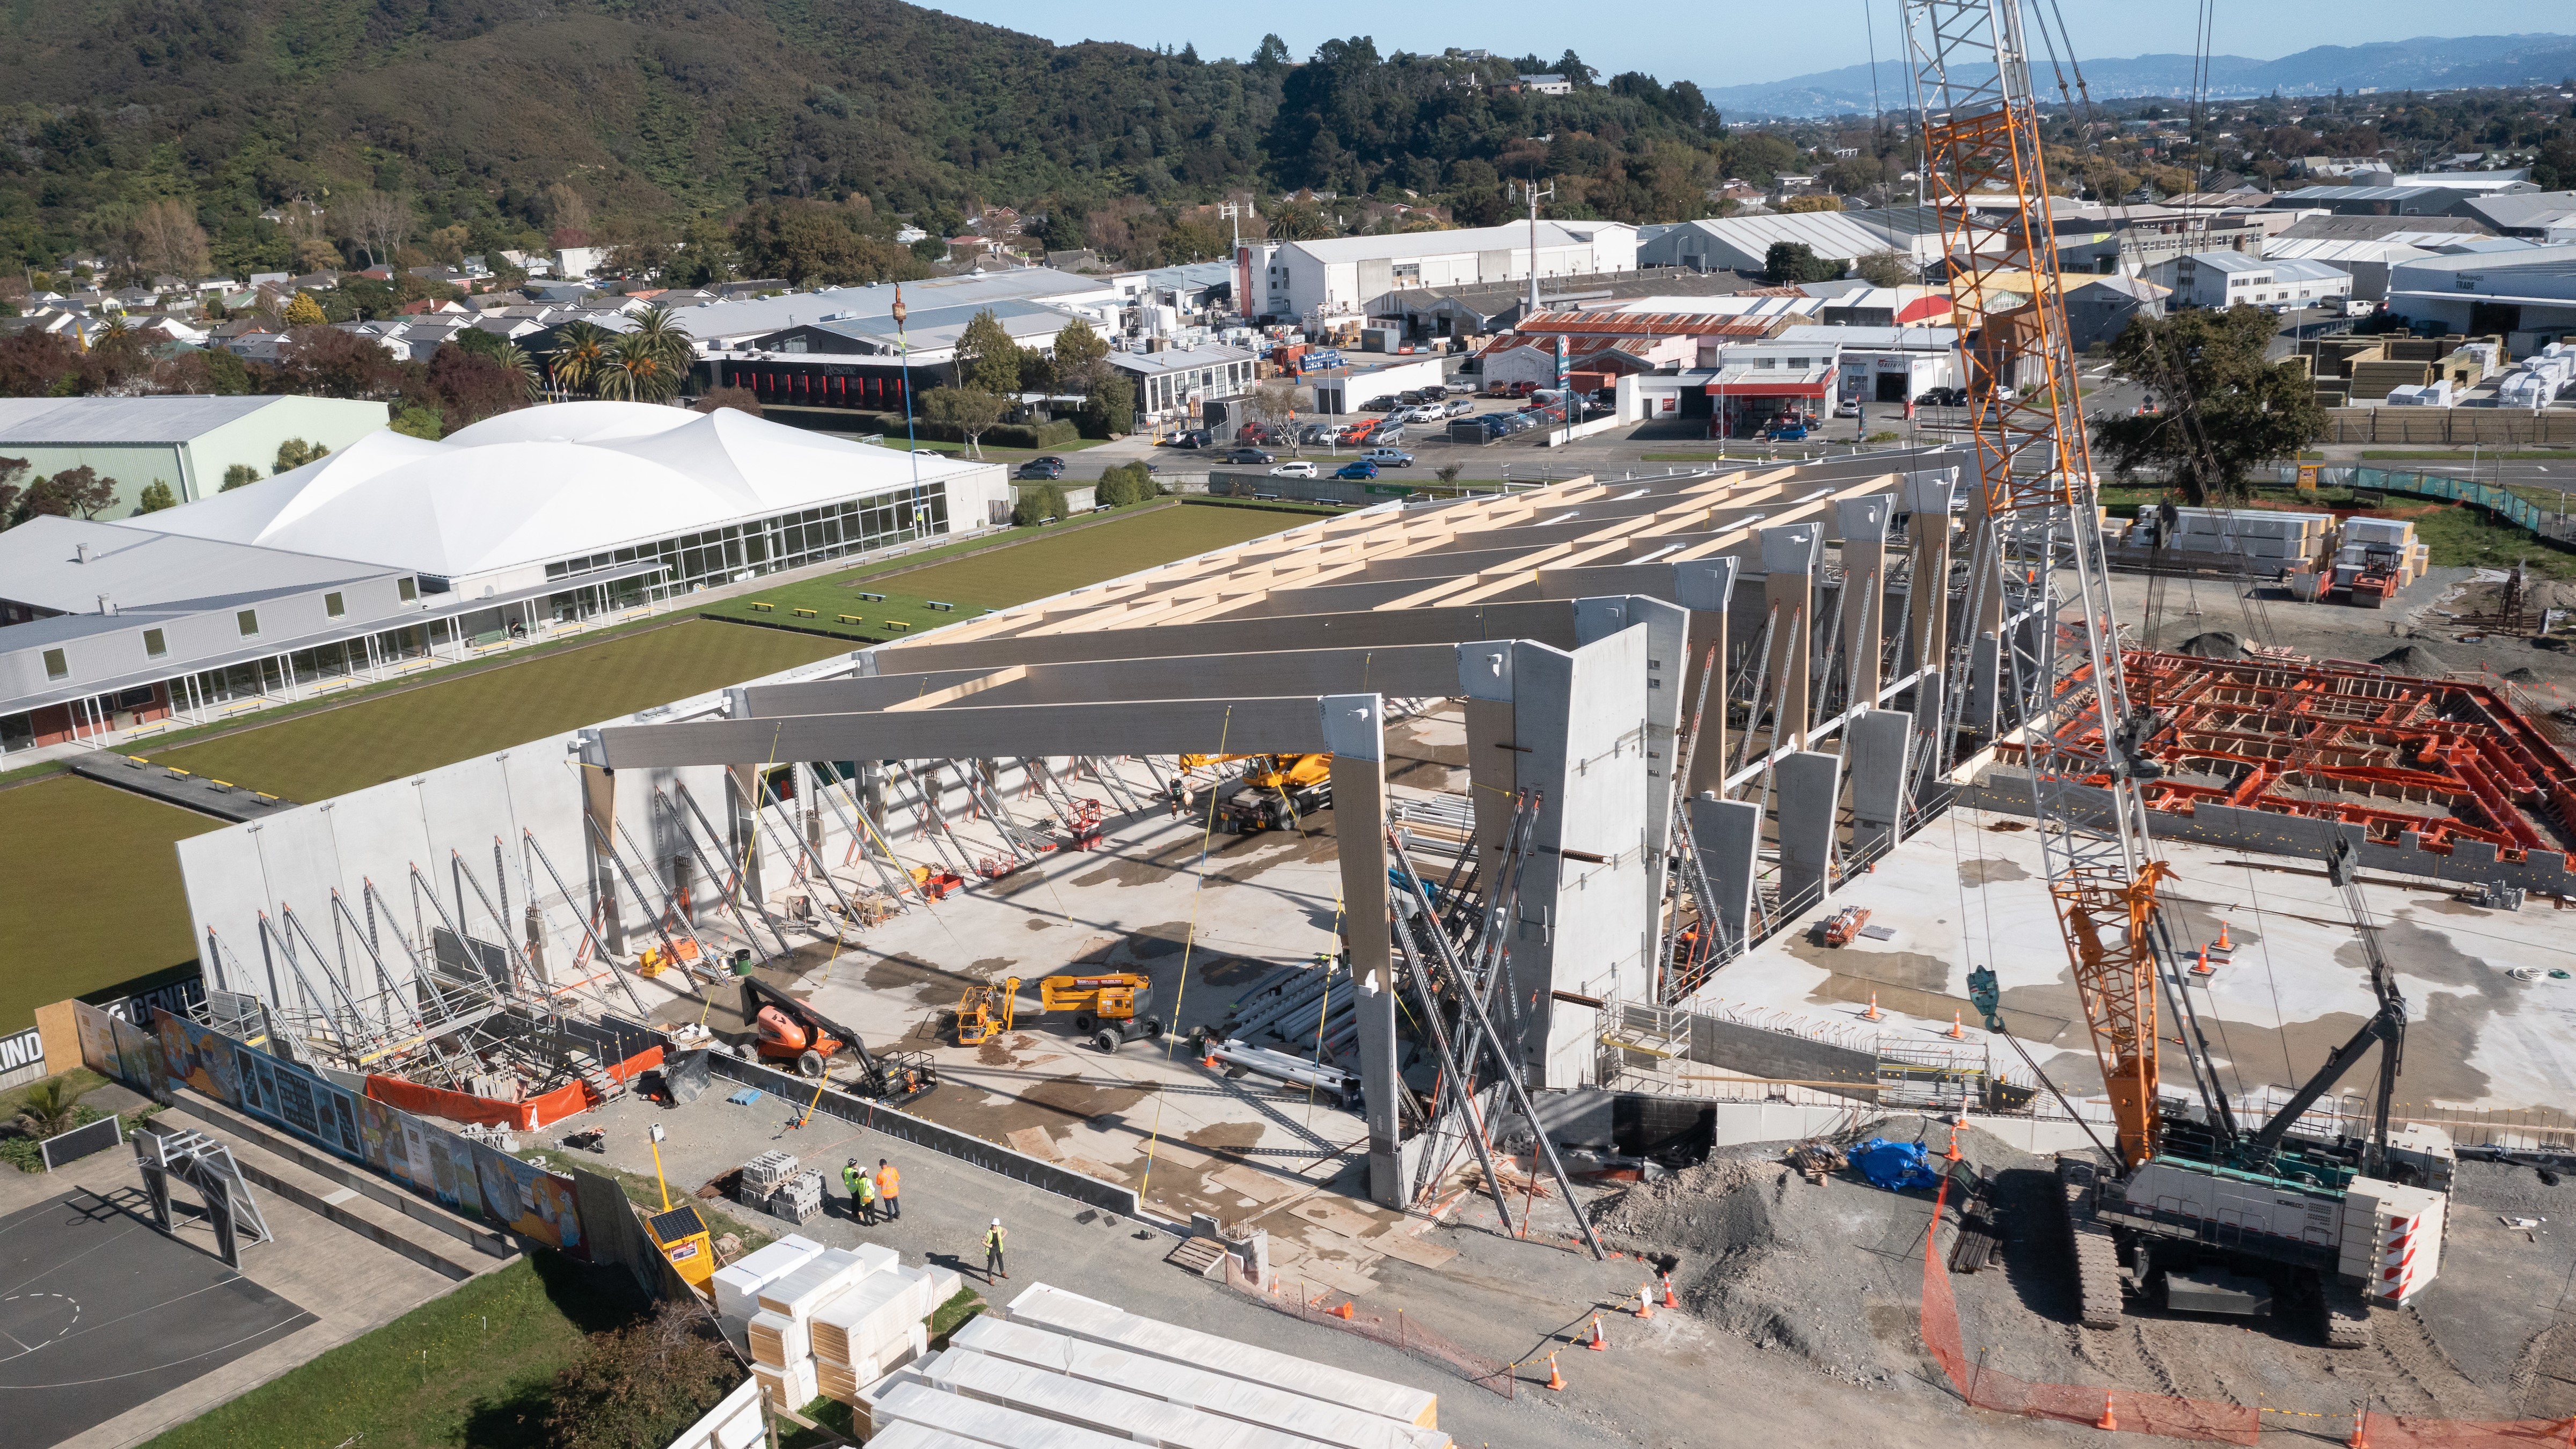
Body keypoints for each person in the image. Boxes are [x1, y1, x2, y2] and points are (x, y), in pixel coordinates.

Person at [844, 1158, 874, 1225]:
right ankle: (856, 1215)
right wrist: (857, 1169)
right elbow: (859, 1175)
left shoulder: (846, 1168)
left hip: (849, 1187)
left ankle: (854, 1213)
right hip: (854, 1188)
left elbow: (843, 1175)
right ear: (854, 1165)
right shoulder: (854, 1173)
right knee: (856, 1201)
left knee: (854, 1200)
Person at [875, 1157, 901, 1221]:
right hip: (895, 1191)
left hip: (887, 1194)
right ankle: (898, 1214)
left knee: (888, 1205)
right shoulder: (893, 1170)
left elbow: (878, 1183)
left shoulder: (880, 1175)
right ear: (886, 1164)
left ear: (880, 1165)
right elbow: (898, 1178)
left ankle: (890, 1217)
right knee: (895, 1202)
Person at [984, 1217, 1008, 1281]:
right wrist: (988, 1245)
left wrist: (1001, 1238)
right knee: (991, 1263)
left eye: (995, 1225)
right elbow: (983, 1241)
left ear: (997, 1226)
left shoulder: (999, 1229)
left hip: (999, 1248)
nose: (993, 1227)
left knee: (1000, 1260)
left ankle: (1002, 1272)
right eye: (992, 1225)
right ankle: (990, 1277)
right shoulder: (989, 1233)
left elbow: (1006, 1231)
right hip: (992, 1250)